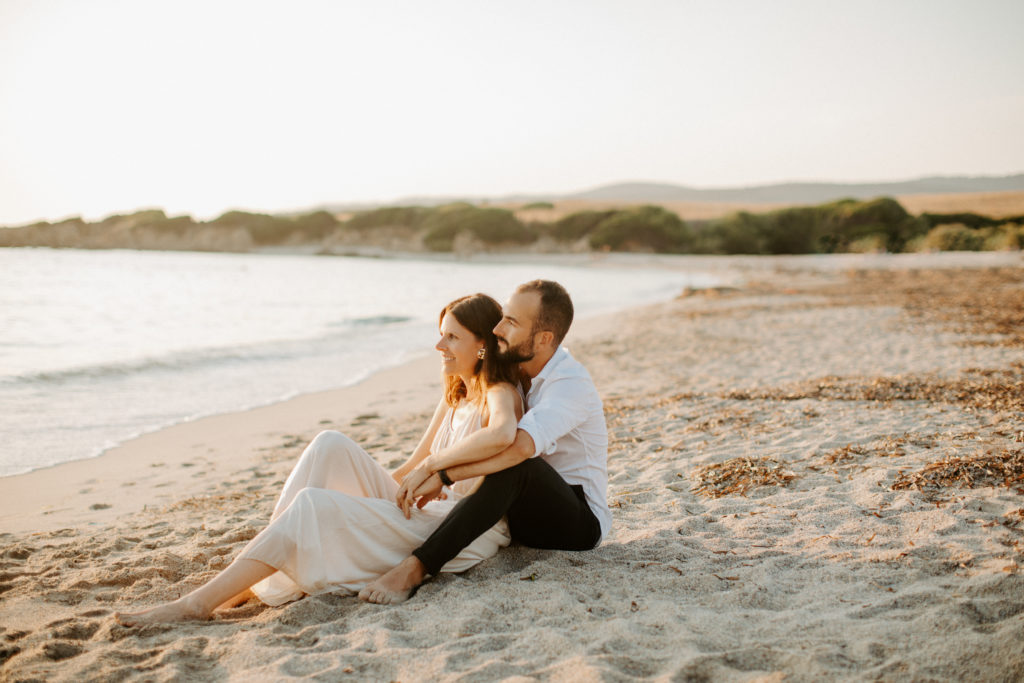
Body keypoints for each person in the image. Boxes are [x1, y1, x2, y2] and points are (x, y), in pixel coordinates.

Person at [115, 293, 523, 625]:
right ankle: (263, 564)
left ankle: (196, 605)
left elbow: (503, 434)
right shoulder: (456, 392)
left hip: (463, 527)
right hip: (426, 508)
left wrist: (436, 468)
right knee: (330, 444)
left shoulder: (498, 391)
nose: (439, 346)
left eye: (451, 337)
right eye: (441, 335)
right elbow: (410, 465)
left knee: (313, 505)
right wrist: (380, 494)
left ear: (482, 345)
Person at [359, 279, 610, 604]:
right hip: (518, 514)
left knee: (519, 465)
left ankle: (416, 569)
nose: (498, 328)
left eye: (512, 322)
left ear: (544, 338)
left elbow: (518, 447)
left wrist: (441, 470)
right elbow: (478, 366)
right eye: (503, 316)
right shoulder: (516, 365)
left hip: (577, 522)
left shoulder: (569, 384)